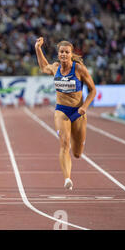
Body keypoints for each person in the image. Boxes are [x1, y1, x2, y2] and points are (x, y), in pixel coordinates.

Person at [35, 37, 96, 190]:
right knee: (64, 143)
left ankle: (79, 143)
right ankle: (67, 178)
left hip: (78, 112)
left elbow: (93, 90)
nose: (63, 54)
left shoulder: (79, 69)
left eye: (66, 52)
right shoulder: (55, 68)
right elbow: (43, 67)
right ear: (58, 54)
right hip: (61, 110)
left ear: (71, 54)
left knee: (77, 153)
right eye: (61, 52)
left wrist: (85, 107)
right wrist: (38, 48)